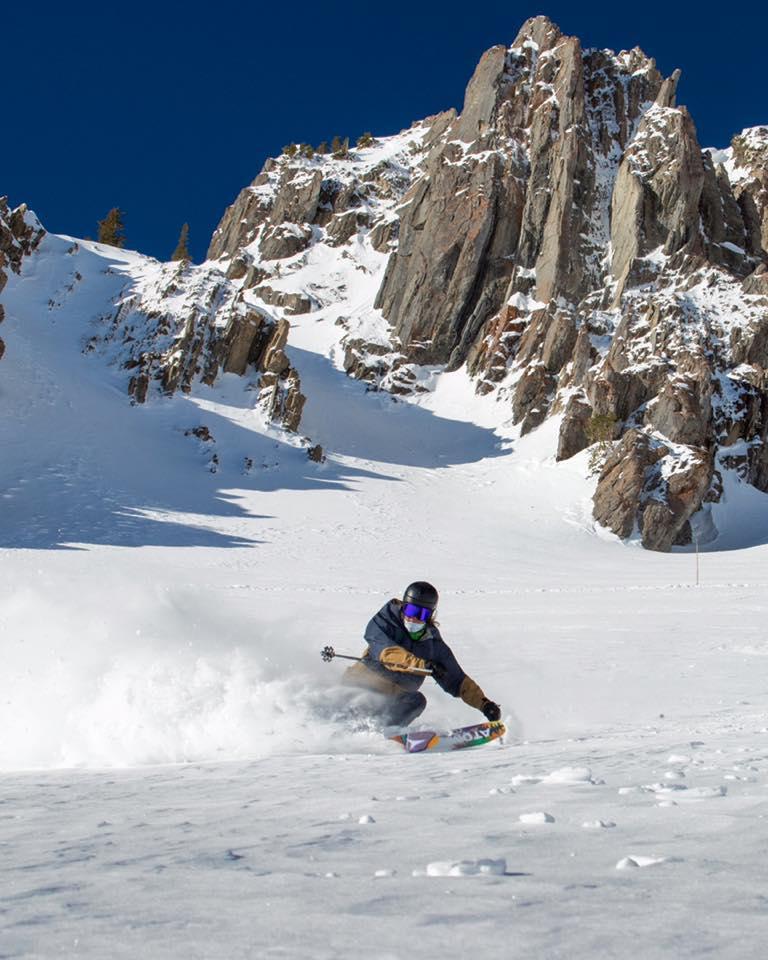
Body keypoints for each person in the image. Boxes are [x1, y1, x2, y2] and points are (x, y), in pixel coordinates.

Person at [343, 581, 501, 728]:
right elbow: (388, 653)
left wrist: (484, 704)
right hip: (362, 684)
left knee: (416, 701)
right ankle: (346, 724)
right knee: (354, 700)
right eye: (411, 610)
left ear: (430, 616)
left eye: (422, 614)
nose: (414, 618)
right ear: (403, 606)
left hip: (392, 698)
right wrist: (422, 665)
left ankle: (379, 732)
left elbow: (457, 680)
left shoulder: (432, 644)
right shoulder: (385, 621)